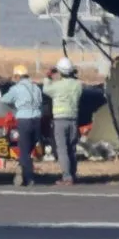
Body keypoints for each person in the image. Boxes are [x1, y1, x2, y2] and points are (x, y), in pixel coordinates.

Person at [1, 64, 45, 187]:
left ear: (17, 76)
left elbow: (4, 100)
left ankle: (28, 178)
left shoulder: (16, 89)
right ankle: (25, 171)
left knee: (24, 151)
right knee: (31, 149)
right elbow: (41, 102)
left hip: (24, 120)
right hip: (36, 120)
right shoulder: (36, 88)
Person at [43, 57, 83, 185]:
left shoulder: (57, 86)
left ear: (59, 71)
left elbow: (46, 90)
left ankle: (67, 177)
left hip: (60, 119)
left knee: (62, 149)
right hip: (73, 119)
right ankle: (73, 173)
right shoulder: (78, 85)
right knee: (72, 148)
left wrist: (48, 77)